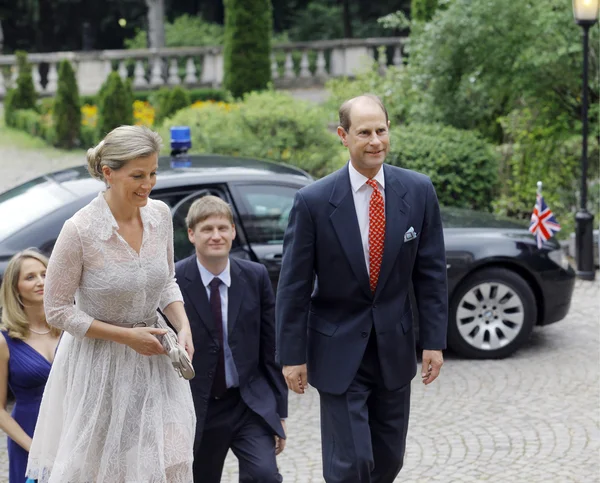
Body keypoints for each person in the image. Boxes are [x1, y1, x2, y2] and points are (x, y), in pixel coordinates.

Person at [276, 94, 448, 482]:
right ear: (343, 135)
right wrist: (292, 356)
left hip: (394, 347)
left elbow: (432, 273)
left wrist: (434, 342)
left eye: (381, 131)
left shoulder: (418, 191)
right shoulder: (314, 202)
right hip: (337, 351)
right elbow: (294, 286)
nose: (375, 141)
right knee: (350, 465)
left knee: (388, 461)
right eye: (364, 132)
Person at [25, 125, 197, 483]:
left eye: (152, 173)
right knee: (104, 471)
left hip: (156, 362)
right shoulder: (80, 230)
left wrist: (182, 326)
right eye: (137, 175)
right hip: (98, 368)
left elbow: (167, 280)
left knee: (171, 460)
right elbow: (57, 309)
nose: (147, 184)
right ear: (108, 172)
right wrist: (125, 337)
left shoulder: (160, 215)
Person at [175, 195, 288, 482]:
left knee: (265, 476)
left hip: (247, 403)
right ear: (191, 234)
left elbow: (271, 347)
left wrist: (278, 412)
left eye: (223, 228)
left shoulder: (255, 275)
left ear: (233, 231)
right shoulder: (174, 281)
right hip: (198, 406)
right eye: (207, 229)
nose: (216, 236)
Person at [0, 250, 61, 483]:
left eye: (45, 274)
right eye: (30, 277)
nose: (41, 282)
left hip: (72, 431)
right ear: (15, 288)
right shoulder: (5, 341)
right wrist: (34, 450)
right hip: (30, 437)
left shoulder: (70, 330)